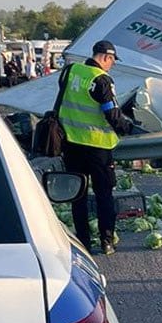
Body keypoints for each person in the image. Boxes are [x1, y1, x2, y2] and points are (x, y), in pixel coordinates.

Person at [56, 39, 134, 255]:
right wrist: (130, 128)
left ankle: (83, 242)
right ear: (106, 58)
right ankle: (106, 241)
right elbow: (112, 114)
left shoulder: (71, 71)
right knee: (103, 195)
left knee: (78, 195)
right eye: (112, 61)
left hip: (71, 144)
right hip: (98, 148)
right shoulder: (102, 80)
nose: (112, 65)